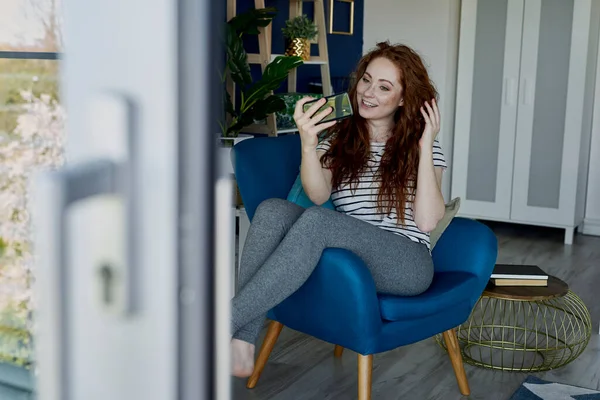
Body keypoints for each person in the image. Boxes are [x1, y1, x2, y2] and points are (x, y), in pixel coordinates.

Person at [230, 41, 447, 377]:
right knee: (273, 210)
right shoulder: (342, 139)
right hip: (352, 258)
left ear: (403, 99)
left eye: (384, 87)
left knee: (318, 221)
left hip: (407, 262)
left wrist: (425, 145)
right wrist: (308, 143)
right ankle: (242, 342)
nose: (369, 92)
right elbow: (318, 195)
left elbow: (428, 219)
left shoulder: (422, 146)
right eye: (366, 80)